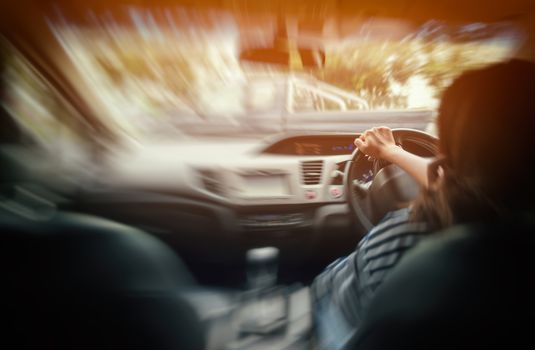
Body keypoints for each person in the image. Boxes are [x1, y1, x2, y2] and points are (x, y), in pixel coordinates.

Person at [311, 59, 535, 349]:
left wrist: (390, 152)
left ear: (451, 147)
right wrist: (391, 152)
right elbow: (473, 187)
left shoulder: (407, 239)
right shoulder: (512, 230)